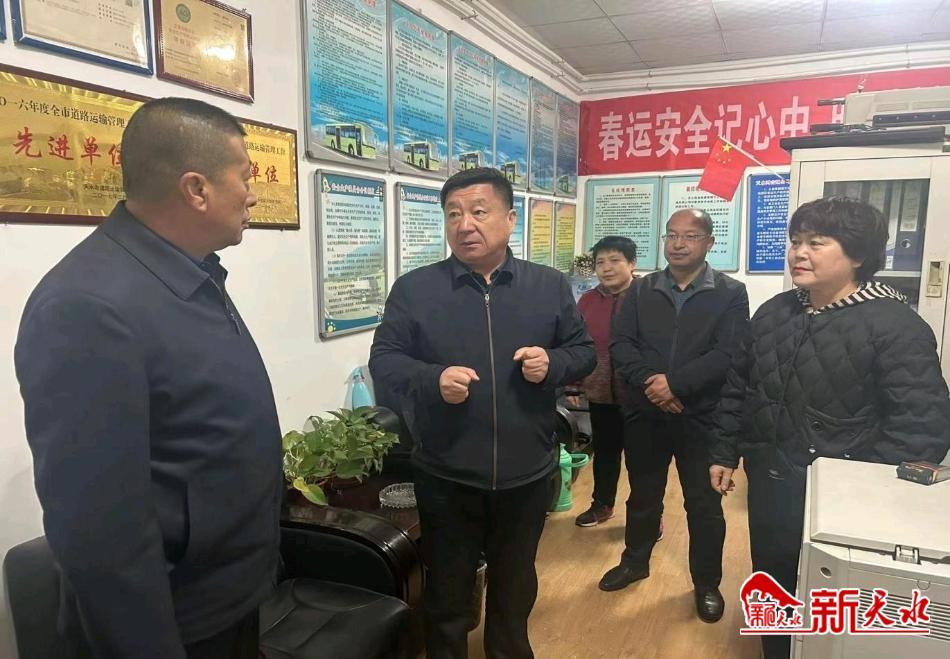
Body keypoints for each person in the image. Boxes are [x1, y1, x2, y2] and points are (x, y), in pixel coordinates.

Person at [15, 98, 280, 659]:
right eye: (245, 177)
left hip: (229, 597)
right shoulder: (86, 306)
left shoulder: (185, 272)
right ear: (196, 189)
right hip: (177, 624)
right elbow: (100, 532)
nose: (253, 194)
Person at [709, 197, 950, 658]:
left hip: (845, 503)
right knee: (772, 578)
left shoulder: (896, 325)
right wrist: (724, 451)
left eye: (817, 243)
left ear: (857, 255)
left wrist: (862, 490)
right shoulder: (775, 312)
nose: (799, 253)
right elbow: (739, 387)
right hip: (771, 477)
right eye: (795, 241)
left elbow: (922, 427)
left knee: (833, 599)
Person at [369, 167, 595, 658]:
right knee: (447, 594)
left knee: (515, 590)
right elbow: (384, 361)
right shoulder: (415, 290)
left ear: (510, 219)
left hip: (526, 473)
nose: (464, 224)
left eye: (478, 211)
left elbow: (584, 352)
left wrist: (552, 363)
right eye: (453, 214)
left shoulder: (548, 286)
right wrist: (432, 380)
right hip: (447, 475)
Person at [602, 209, 749, 625]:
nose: (679, 243)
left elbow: (728, 353)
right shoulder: (642, 288)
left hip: (700, 415)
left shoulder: (730, 292)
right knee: (643, 495)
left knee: (703, 504)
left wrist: (676, 385)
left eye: (691, 235)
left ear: (709, 242)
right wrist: (654, 384)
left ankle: (706, 583)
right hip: (646, 412)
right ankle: (635, 562)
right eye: (672, 235)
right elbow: (621, 344)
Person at [568, 236, 640, 527]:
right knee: (606, 453)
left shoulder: (648, 297)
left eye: (615, 260)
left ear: (631, 264)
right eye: (600, 262)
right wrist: (573, 383)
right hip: (600, 393)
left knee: (642, 459)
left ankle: (648, 515)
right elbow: (576, 344)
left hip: (640, 395)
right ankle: (602, 504)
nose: (606, 268)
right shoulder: (588, 300)